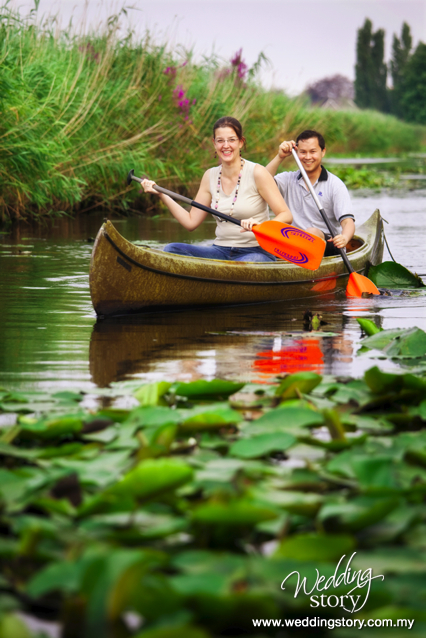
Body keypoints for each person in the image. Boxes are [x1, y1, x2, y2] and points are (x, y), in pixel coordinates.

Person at [141, 116, 293, 262]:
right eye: (220, 141)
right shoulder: (210, 176)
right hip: (219, 250)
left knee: (248, 263)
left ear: (241, 142)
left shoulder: (258, 173)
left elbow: (286, 215)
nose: (225, 145)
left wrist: (261, 226)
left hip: (256, 251)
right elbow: (190, 222)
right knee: (172, 249)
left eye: (231, 140)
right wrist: (161, 194)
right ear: (214, 143)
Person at [266, 129, 355, 257]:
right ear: (296, 153)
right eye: (302, 152)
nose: (308, 157)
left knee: (311, 232)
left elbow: (348, 222)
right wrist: (280, 157)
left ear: (323, 152)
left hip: (327, 245)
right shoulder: (287, 179)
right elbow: (261, 181)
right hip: (292, 244)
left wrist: (345, 238)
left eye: (313, 152)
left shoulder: (335, 184)